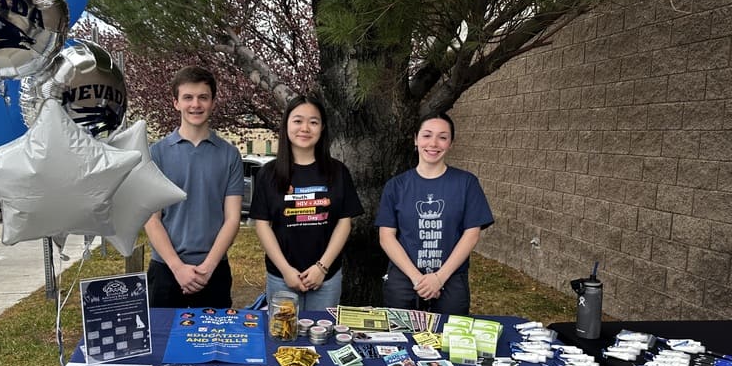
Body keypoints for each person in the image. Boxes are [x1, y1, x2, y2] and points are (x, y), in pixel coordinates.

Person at [250, 94, 364, 311]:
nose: (305, 128)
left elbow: (344, 222)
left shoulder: (338, 172)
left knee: (321, 339)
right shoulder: (268, 174)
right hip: (281, 277)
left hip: (326, 277)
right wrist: (285, 270)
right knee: (283, 337)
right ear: (286, 125)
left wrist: (321, 268)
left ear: (322, 128)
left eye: (313, 122)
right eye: (298, 121)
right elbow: (262, 225)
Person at [144, 66, 244, 308]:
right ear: (175, 103)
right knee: (163, 344)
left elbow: (232, 219)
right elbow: (151, 219)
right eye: (187, 97)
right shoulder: (155, 154)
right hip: (166, 270)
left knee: (214, 345)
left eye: (203, 97)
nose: (195, 104)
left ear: (212, 102)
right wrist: (178, 268)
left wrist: (208, 268)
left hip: (214, 270)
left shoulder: (230, 155)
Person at [375, 112, 494, 315]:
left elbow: (471, 234)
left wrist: (439, 278)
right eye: (427, 135)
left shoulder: (466, 183)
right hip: (404, 280)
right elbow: (386, 237)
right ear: (416, 139)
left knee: (448, 341)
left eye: (443, 137)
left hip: (451, 279)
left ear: (451, 143)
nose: (434, 143)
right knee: (399, 342)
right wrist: (417, 279)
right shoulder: (396, 186)